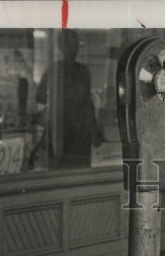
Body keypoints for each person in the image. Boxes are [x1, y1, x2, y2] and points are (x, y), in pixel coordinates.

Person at [35, 29, 100, 169]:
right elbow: (88, 104)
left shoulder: (54, 69)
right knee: (76, 173)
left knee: (61, 173)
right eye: (72, 44)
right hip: (77, 132)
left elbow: (39, 97)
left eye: (74, 44)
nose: (74, 48)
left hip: (63, 130)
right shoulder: (82, 71)